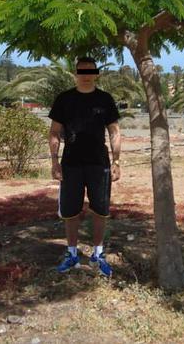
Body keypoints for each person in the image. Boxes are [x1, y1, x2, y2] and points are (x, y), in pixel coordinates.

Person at [48, 57, 121, 276]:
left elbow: (114, 131)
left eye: (91, 71)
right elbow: (54, 132)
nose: (86, 75)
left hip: (99, 164)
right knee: (70, 211)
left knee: (100, 209)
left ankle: (98, 254)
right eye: (82, 71)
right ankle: (71, 254)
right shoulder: (64, 99)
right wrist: (54, 160)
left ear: (97, 74)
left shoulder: (105, 99)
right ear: (75, 73)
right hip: (71, 163)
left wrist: (116, 161)